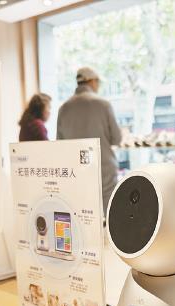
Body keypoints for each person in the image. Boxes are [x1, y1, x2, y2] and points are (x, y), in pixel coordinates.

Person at [56, 67, 122, 214]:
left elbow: (60, 144)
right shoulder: (103, 104)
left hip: (77, 171)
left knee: (83, 214)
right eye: (98, 82)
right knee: (109, 214)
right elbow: (117, 139)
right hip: (103, 169)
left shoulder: (63, 108)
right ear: (92, 81)